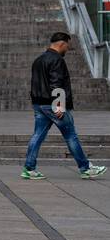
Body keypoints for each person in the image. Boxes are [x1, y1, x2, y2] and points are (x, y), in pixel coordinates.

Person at [24, 32, 106, 180]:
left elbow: (35, 83)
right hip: (53, 105)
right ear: (62, 43)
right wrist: (59, 105)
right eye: (67, 46)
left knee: (37, 135)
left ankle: (29, 169)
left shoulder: (38, 60)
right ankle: (86, 168)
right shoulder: (57, 60)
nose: (67, 49)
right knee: (71, 136)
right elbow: (56, 83)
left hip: (39, 104)